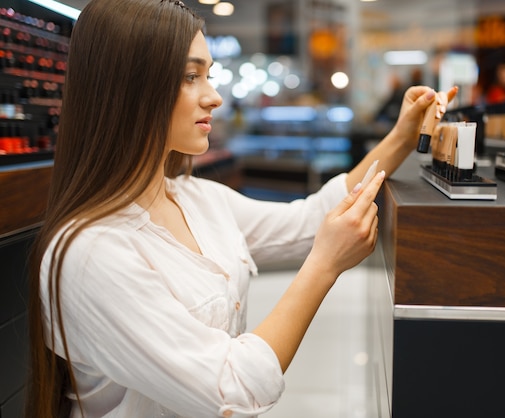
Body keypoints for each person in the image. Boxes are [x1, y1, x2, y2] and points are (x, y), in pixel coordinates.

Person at [26, 0, 457, 417]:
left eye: (208, 75)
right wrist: (324, 266)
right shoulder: (90, 255)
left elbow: (311, 221)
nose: (214, 97)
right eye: (190, 77)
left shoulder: (196, 198)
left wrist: (404, 135)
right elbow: (231, 390)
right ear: (130, 86)